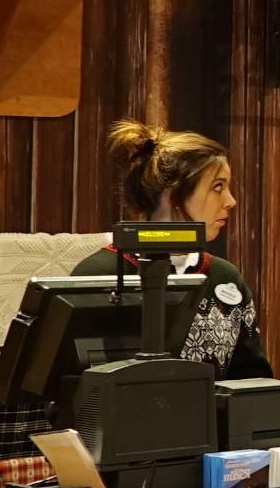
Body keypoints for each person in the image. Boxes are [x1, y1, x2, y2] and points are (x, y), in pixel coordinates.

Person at [74, 121, 270, 378]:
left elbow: (253, 379)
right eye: (218, 187)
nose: (231, 201)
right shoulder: (97, 275)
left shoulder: (226, 277)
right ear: (172, 190)